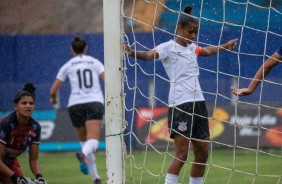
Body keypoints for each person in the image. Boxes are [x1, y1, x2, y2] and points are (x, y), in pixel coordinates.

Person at [124, 5, 237, 184]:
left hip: (198, 103)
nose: (193, 36)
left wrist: (225, 46)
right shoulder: (167, 48)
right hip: (180, 104)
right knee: (182, 153)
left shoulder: (192, 48)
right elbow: (149, 55)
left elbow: (206, 51)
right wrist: (132, 53)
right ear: (179, 28)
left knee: (202, 151)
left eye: (196, 32)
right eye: (190, 32)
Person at [49, 36, 104, 184]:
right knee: (93, 141)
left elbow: (53, 90)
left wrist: (54, 100)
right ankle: (83, 155)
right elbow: (107, 78)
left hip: (75, 105)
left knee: (84, 141)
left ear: (72, 49)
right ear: (86, 48)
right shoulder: (95, 62)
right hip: (94, 102)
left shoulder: (68, 65)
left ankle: (95, 178)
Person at [0, 83, 47, 184]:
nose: (28, 106)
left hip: (9, 162)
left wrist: (39, 177)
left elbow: (33, 159)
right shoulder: (6, 124)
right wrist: (15, 177)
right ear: (15, 106)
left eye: (31, 103)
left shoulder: (35, 127)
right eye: (24, 103)